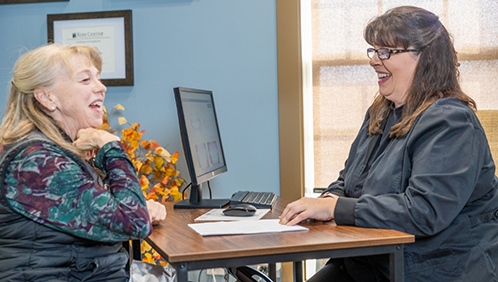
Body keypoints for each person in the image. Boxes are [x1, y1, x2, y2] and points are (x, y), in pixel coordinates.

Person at [279, 6, 498, 282]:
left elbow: (424, 212)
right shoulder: (381, 111)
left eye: (386, 52)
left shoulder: (452, 123)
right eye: (374, 50)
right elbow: (349, 180)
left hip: (432, 270)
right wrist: (324, 201)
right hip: (368, 263)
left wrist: (336, 209)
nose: (374, 60)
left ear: (424, 58)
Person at [0, 44, 166, 281]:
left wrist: (133, 209)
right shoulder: (35, 161)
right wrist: (109, 146)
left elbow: (121, 213)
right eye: (85, 80)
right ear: (47, 97)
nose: (102, 87)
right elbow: (134, 223)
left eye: (98, 78)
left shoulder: (57, 150)